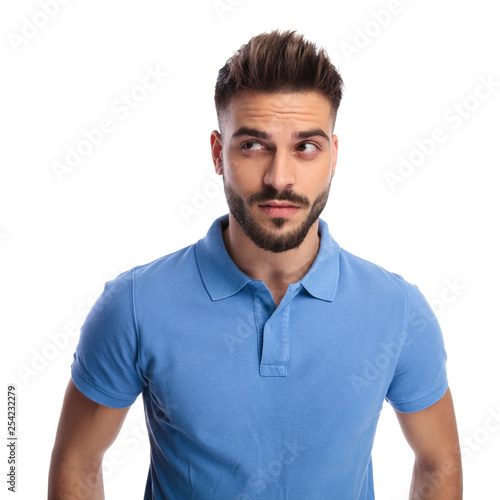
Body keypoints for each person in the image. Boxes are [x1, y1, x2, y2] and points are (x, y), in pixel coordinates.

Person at [48, 29, 462, 499]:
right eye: (253, 145)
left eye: (305, 146)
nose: (279, 178)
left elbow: (438, 461)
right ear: (217, 153)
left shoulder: (399, 311)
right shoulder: (135, 305)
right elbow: (79, 463)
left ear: (333, 157)